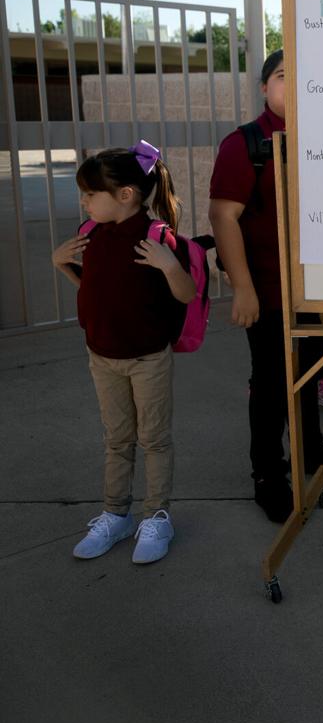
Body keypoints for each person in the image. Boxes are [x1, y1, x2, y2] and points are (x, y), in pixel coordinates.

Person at [209, 49, 323, 524]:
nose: (292, 86)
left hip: (311, 290)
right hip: (267, 292)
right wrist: (243, 288)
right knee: (271, 383)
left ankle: (311, 455)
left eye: (303, 76)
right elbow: (223, 217)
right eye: (282, 76)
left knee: (309, 374)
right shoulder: (245, 145)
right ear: (264, 86)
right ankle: (268, 474)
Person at [52, 143, 195, 564]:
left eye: (90, 194)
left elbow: (186, 294)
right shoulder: (91, 234)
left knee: (153, 439)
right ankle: (116, 515)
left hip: (147, 359)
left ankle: (157, 517)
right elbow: (98, 292)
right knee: (116, 439)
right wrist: (60, 263)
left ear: (126, 195)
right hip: (102, 357)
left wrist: (170, 266)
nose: (84, 202)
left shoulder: (157, 238)